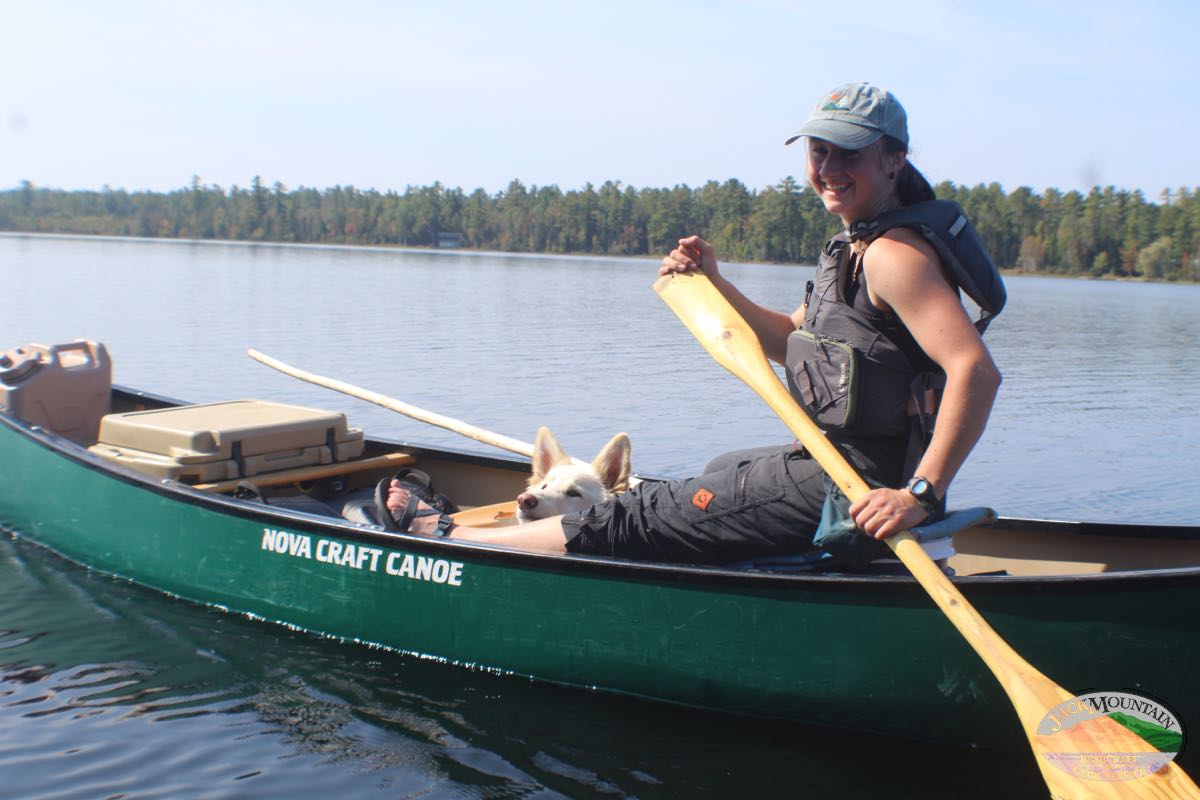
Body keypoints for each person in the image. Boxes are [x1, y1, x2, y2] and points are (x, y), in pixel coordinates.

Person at [385, 82, 1002, 566]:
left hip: (857, 486)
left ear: (895, 159)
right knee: (718, 468)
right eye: (820, 150)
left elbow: (974, 369)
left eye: (851, 152)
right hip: (839, 464)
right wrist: (716, 283)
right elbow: (793, 343)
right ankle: (750, 559)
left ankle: (449, 538)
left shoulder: (895, 255)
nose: (829, 166)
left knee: (638, 510)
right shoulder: (854, 246)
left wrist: (917, 495)